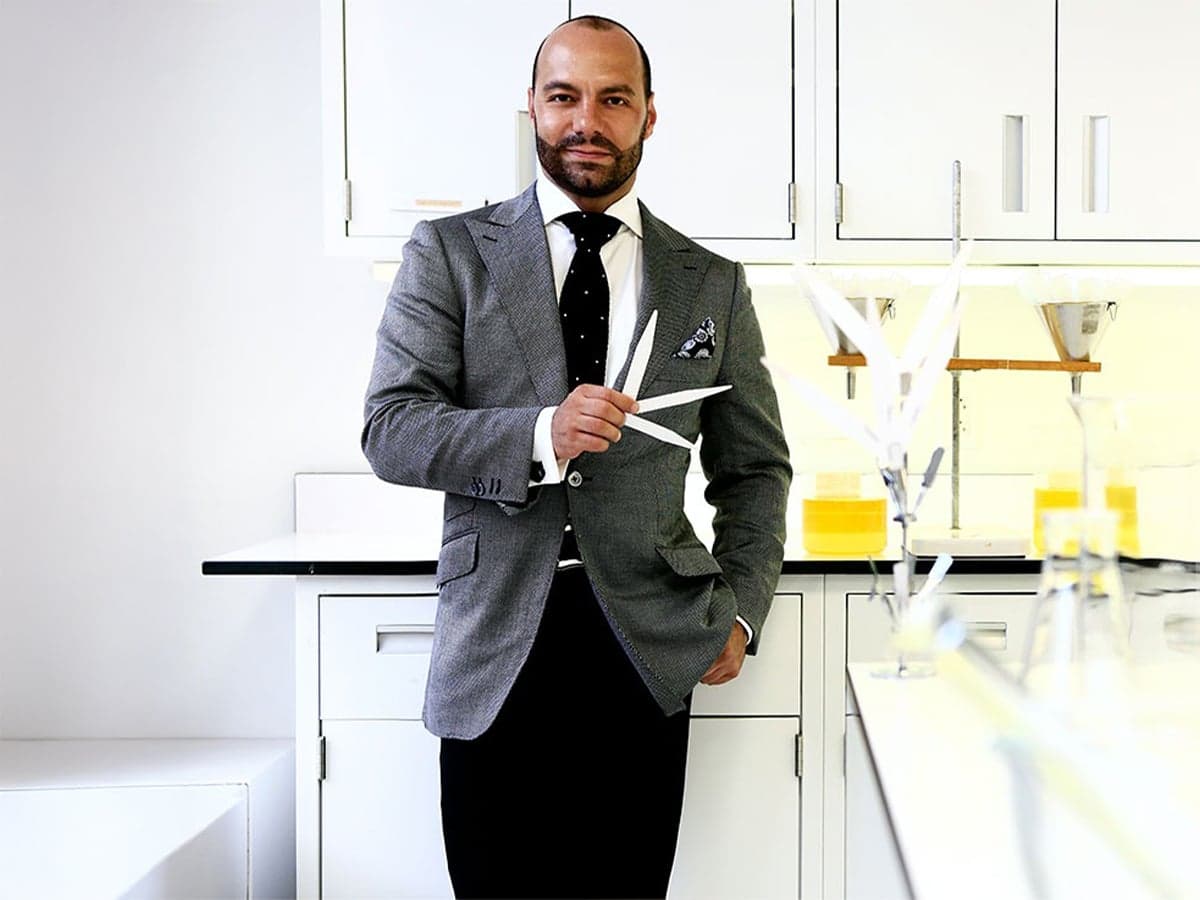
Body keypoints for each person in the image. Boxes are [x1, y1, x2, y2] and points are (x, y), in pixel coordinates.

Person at [362, 15, 790, 899]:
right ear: (531, 108)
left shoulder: (711, 282)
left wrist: (742, 614)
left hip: (646, 644)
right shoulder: (449, 254)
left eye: (612, 98)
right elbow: (392, 429)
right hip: (496, 641)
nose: (585, 120)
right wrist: (535, 434)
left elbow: (753, 470)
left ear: (648, 116)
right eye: (563, 97)